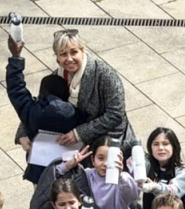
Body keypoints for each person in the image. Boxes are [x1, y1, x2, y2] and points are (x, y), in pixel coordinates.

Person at [16, 28, 135, 157]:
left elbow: (115, 115)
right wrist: (23, 132)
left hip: (109, 141)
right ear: (57, 58)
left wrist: (79, 134)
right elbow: (39, 108)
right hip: (72, 145)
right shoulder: (55, 78)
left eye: (74, 52)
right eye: (63, 54)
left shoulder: (104, 74)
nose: (69, 59)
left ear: (82, 51)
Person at [5, 35, 82, 183]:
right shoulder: (75, 114)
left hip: (39, 172)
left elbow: (16, 89)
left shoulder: (32, 112)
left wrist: (16, 57)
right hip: (70, 172)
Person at [139, 127, 185, 209]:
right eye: (156, 144)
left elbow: (174, 191)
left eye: (165, 143)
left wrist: (155, 187)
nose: (161, 148)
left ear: (174, 146)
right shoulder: (146, 167)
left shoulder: (183, 171)